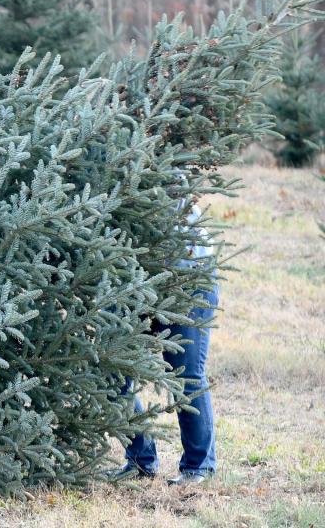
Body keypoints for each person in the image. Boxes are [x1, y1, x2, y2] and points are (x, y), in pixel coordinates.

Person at [109, 202, 218, 486]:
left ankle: (199, 468)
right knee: (111, 370)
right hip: (130, 279)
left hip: (186, 276)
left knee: (186, 375)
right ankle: (140, 460)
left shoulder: (168, 173)